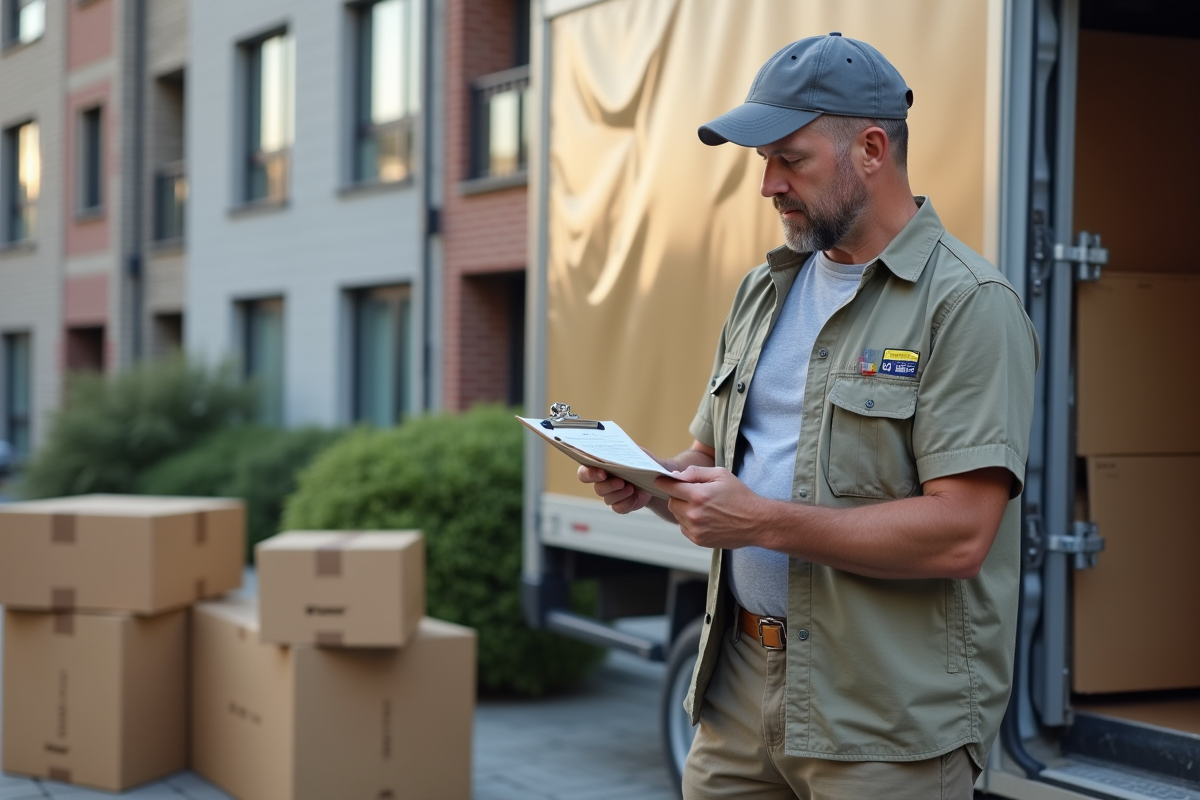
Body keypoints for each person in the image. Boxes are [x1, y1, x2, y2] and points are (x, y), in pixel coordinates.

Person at [578, 33, 1038, 800]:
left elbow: (961, 534)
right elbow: (710, 465)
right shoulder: (764, 290)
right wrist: (651, 481)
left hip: (883, 718)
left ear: (870, 149)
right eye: (764, 162)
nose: (769, 185)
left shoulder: (967, 306)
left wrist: (760, 521)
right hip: (738, 690)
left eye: (790, 160)